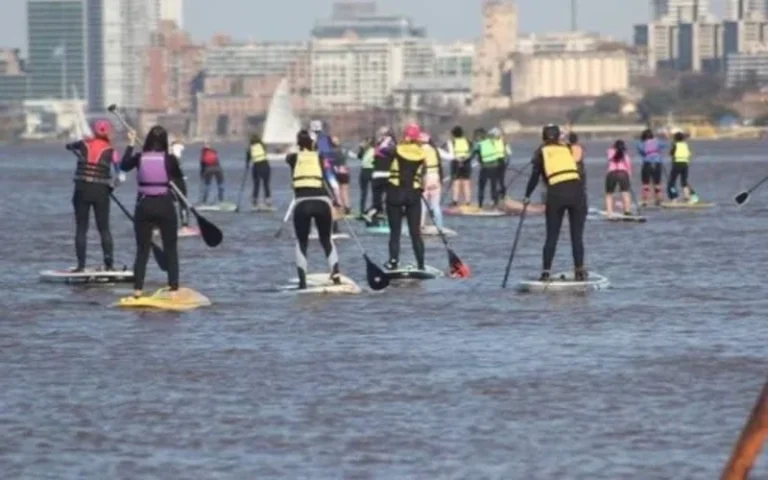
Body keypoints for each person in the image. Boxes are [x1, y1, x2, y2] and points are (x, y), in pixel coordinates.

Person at [119, 125, 187, 299]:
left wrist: (131, 143)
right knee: (171, 249)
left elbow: (123, 166)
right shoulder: (170, 159)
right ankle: (173, 290)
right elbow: (178, 175)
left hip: (144, 206)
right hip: (165, 205)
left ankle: (137, 291)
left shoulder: (139, 157)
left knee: (142, 250)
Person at [522, 124, 587, 281]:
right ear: (558, 137)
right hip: (577, 192)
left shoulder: (541, 151)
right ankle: (579, 271)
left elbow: (535, 177)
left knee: (552, 236)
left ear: (543, 137)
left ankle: (545, 272)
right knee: (576, 236)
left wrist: (527, 196)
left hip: (556, 194)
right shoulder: (567, 148)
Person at [285, 129, 342, 289]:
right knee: (326, 239)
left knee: (302, 242)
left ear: (298, 143)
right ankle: (336, 274)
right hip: (322, 202)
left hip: (302, 204)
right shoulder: (320, 156)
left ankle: (302, 282)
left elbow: (288, 156)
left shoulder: (293, 158)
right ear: (313, 143)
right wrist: (336, 200)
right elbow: (328, 176)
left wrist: (298, 146)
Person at [66, 119, 122, 272]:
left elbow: (69, 146)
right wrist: (112, 187)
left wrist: (76, 147)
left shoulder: (83, 143)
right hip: (101, 191)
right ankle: (109, 265)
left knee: (81, 228)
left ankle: (80, 266)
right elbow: (120, 175)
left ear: (94, 131)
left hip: (82, 189)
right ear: (107, 132)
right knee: (104, 228)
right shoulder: (112, 151)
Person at [385, 123, 427, 271]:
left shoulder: (396, 150)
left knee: (395, 231)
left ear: (405, 136)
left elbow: (380, 153)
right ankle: (421, 264)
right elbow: (423, 176)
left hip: (395, 193)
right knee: (415, 232)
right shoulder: (422, 153)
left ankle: (393, 261)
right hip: (413, 195)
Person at [362, 126, 396, 226]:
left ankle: (373, 216)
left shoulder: (377, 147)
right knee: (388, 200)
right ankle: (378, 216)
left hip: (377, 176)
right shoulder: (388, 147)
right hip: (386, 176)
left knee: (378, 200)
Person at [468, 128, 503, 209]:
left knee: (481, 187)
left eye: (476, 136)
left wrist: (464, 162)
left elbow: (471, 155)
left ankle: (480, 205)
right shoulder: (491, 140)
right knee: (494, 186)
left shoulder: (478, 144)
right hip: (495, 167)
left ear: (479, 136)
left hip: (485, 168)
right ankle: (495, 204)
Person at [420, 131, 444, 229]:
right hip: (436, 178)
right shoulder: (435, 150)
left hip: (425, 178)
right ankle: (439, 226)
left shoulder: (419, 150)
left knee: (422, 205)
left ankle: (420, 225)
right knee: (436, 205)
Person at [604, 140, 633, 216]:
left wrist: (613, 146)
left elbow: (609, 150)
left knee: (609, 194)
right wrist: (629, 177)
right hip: (623, 173)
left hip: (612, 173)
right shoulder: (625, 155)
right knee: (625, 192)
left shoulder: (610, 152)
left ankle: (609, 213)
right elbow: (628, 167)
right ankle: (627, 211)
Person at [636, 129, 664, 206]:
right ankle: (658, 200)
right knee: (657, 183)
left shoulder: (640, 143)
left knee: (645, 184)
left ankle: (645, 201)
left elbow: (641, 152)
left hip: (647, 164)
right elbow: (663, 146)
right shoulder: (657, 141)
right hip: (657, 163)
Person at [667, 131, 697, 203]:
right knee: (684, 182)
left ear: (675, 138)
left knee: (671, 183)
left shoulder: (675, 145)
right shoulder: (685, 145)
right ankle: (689, 197)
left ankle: (674, 198)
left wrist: (672, 147)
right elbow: (690, 154)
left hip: (677, 164)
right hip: (685, 165)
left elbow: (670, 154)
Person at [446, 125, 472, 206]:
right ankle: (467, 202)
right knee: (466, 182)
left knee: (456, 182)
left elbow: (451, 154)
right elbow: (471, 152)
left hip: (455, 163)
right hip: (466, 163)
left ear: (453, 134)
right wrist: (464, 159)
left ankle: (455, 201)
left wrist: (458, 160)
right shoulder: (468, 141)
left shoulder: (451, 142)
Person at [168, 138, 190, 231]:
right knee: (183, 202)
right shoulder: (177, 148)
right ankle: (185, 225)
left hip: (168, 180)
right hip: (177, 180)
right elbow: (181, 145)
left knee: (169, 203)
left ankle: (160, 226)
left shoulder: (167, 152)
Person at [247, 133, 271, 208]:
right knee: (266, 184)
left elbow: (247, 160)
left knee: (256, 185)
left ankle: (255, 201)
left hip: (257, 167)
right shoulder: (263, 146)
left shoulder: (250, 148)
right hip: (266, 166)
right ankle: (268, 201)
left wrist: (247, 165)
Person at [331, 135, 351, 214]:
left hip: (335, 172)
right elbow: (352, 155)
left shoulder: (330, 152)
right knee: (345, 190)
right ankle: (347, 207)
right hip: (344, 172)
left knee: (337, 190)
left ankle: (340, 207)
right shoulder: (343, 150)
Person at [490, 127, 510, 198]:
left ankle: (495, 196)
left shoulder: (491, 141)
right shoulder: (503, 141)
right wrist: (508, 161)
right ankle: (502, 195)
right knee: (501, 179)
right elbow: (509, 152)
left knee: (495, 180)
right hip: (501, 161)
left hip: (495, 162)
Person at [357, 137, 375, 217]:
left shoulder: (374, 150)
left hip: (372, 170)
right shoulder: (364, 150)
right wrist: (360, 148)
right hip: (364, 170)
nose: (365, 144)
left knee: (375, 191)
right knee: (364, 192)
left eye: (366, 142)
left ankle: (374, 209)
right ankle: (362, 210)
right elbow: (359, 156)